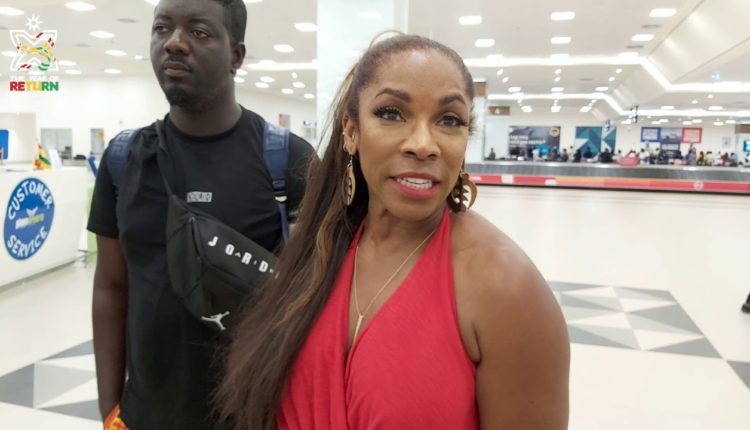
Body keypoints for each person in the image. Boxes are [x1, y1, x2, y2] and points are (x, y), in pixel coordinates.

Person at [218, 35, 570, 430]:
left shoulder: (506, 287)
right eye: (391, 113)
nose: (423, 145)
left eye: (449, 120)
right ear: (351, 131)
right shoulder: (319, 248)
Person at [87, 0, 315, 428]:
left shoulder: (289, 162)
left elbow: (317, 300)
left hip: (254, 416)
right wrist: (109, 407)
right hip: (145, 415)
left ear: (236, 56)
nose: (174, 43)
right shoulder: (124, 160)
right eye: (162, 29)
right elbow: (112, 286)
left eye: (199, 31)